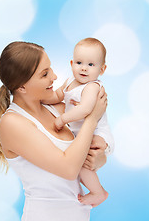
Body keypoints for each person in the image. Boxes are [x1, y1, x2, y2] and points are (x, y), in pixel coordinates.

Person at [0, 41, 111, 221]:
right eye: (45, 74)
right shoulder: (12, 122)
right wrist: (92, 119)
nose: (54, 77)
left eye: (51, 69)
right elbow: (69, 169)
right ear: (22, 87)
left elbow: (84, 149)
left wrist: (101, 157)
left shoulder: (58, 108)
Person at [44, 38, 114, 208]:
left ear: (102, 69)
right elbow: (58, 96)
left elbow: (85, 109)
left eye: (91, 64)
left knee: (82, 163)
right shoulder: (69, 82)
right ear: (71, 63)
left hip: (98, 133)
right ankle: (94, 188)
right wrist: (43, 99)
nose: (83, 68)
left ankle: (98, 192)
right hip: (83, 133)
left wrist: (62, 119)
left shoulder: (92, 87)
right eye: (79, 62)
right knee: (79, 162)